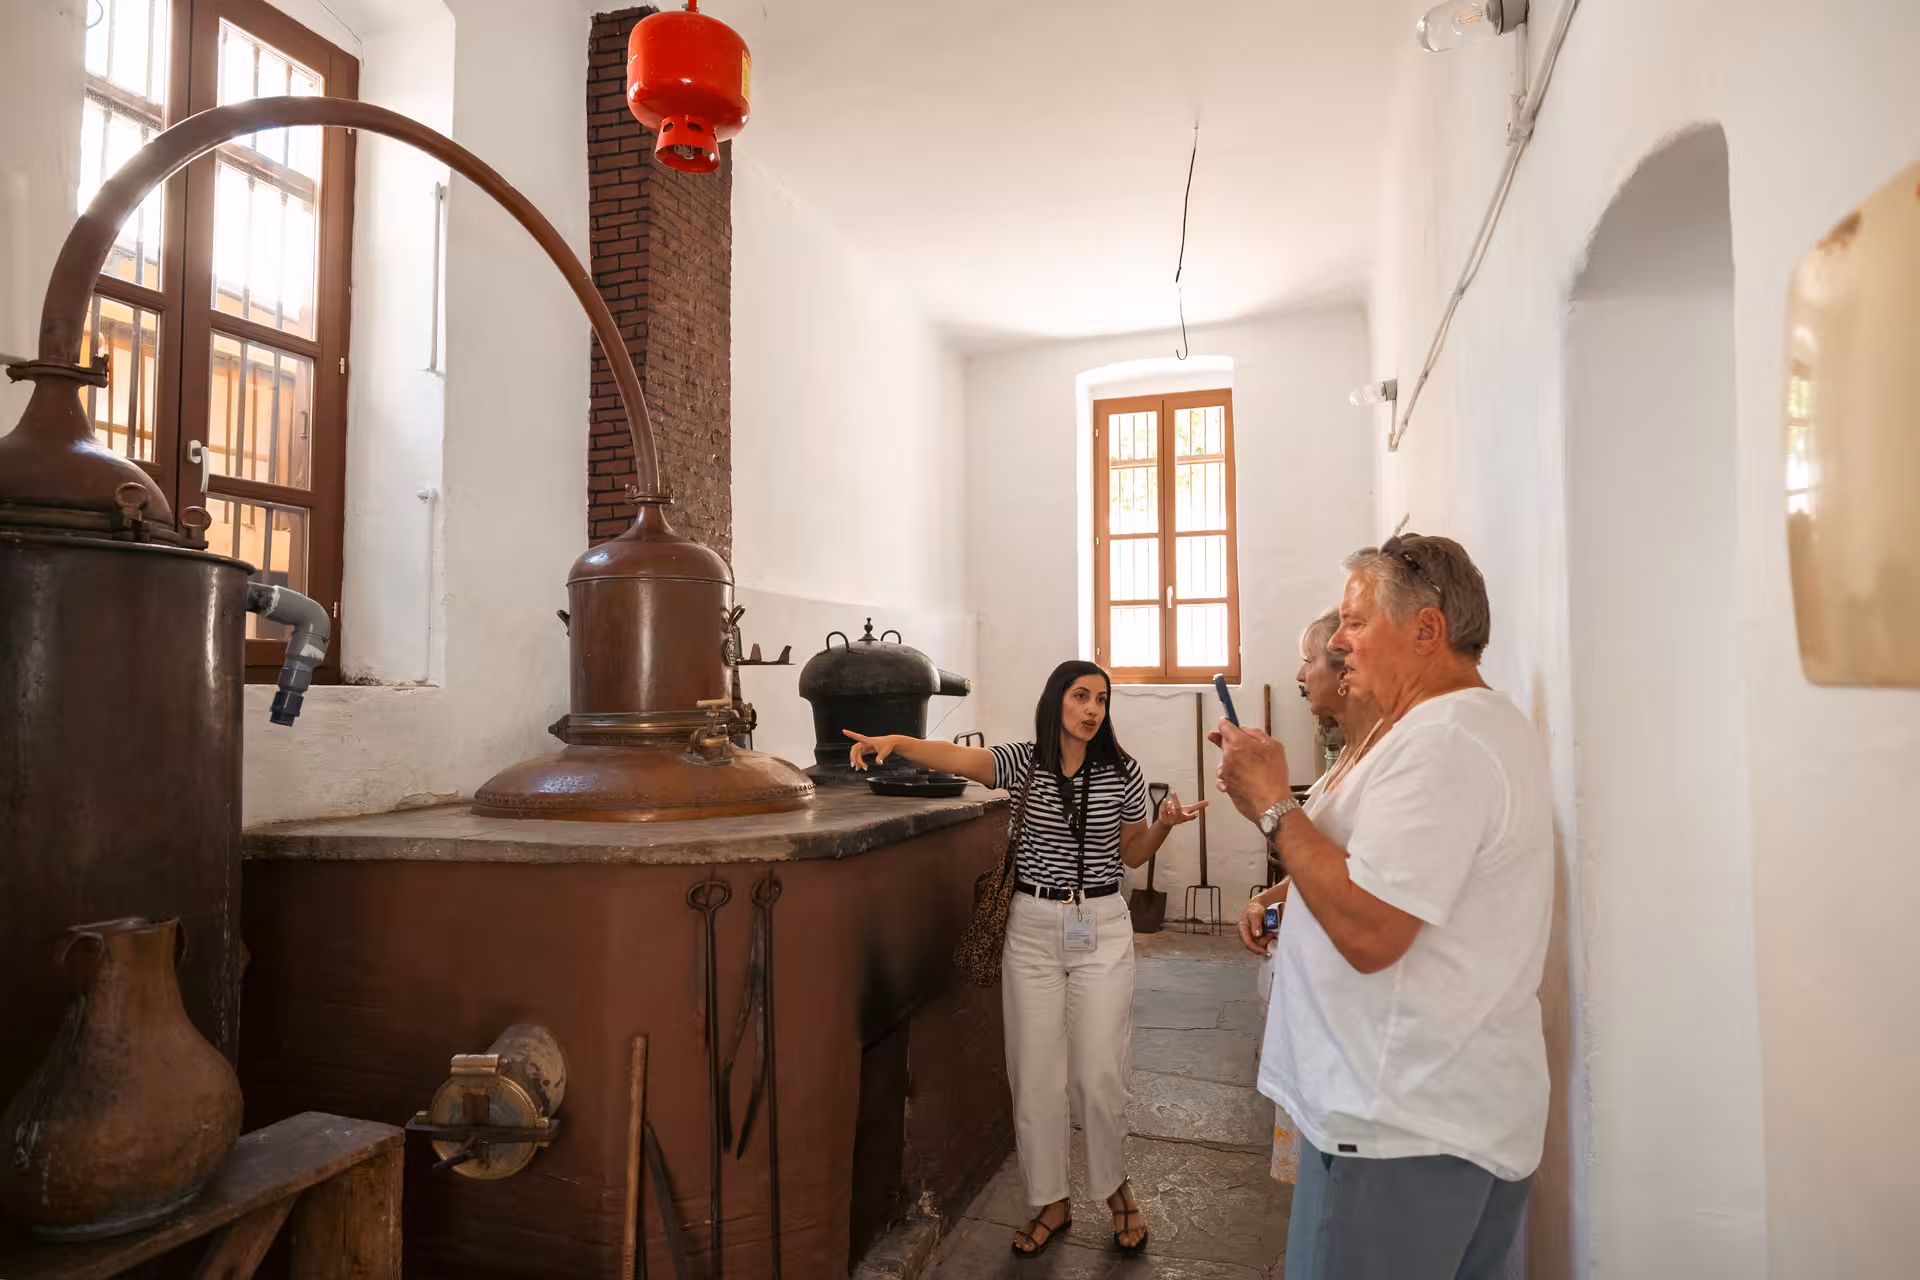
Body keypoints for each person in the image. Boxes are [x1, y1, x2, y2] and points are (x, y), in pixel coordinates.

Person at [1214, 535, 1553, 1280]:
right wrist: (1289, 898)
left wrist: (1274, 807)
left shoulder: (1445, 743)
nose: (1336, 643)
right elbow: (1376, 869)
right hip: (1414, 1113)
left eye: (1355, 622)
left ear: (1427, 631)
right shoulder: (1429, 731)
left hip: (1403, 1126)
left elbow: (1371, 929)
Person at [846, 660, 1205, 1258]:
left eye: (1101, 700)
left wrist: (1164, 825)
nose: (1092, 709)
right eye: (1081, 696)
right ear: (1056, 701)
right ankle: (1050, 1199)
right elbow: (958, 760)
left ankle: (1115, 1187)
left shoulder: (1123, 771)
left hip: (1102, 925)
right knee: (1034, 1073)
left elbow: (1135, 853)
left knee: (1097, 1072)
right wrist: (895, 742)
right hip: (1033, 929)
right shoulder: (1024, 762)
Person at [1265, 607, 1385, 1185]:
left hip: (1353, 1040)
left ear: (1344, 671)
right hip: (1321, 1020)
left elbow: (1361, 883)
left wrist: (1269, 800)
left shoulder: (1388, 753)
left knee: (1342, 1206)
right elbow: (1324, 852)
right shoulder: (1349, 752)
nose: (1299, 675)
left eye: (1308, 660)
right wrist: (1275, 895)